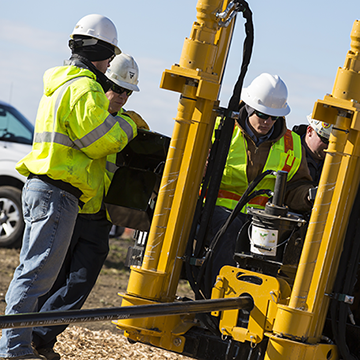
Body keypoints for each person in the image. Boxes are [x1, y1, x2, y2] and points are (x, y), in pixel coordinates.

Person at [0, 15, 139, 360]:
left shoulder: (60, 82)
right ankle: (13, 349)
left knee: (33, 272)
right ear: (101, 51)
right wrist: (128, 126)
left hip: (42, 188)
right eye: (108, 58)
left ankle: (14, 345)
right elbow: (98, 139)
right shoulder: (85, 87)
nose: (108, 66)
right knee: (36, 275)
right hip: (57, 193)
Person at [30, 53, 148, 360]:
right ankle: (34, 340)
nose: (121, 96)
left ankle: (39, 337)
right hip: (70, 207)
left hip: (97, 217)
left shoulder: (127, 125)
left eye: (127, 92)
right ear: (101, 82)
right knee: (49, 280)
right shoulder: (91, 113)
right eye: (116, 88)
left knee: (78, 285)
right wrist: (126, 126)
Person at [205, 73, 314, 292]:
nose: (267, 122)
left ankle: (251, 306)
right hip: (218, 209)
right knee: (230, 232)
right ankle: (212, 302)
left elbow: (294, 186)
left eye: (274, 117)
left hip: (262, 219)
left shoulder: (292, 143)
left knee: (274, 249)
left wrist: (307, 195)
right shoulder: (219, 129)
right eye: (263, 115)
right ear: (248, 107)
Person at [292, 115, 333, 184]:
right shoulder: (288, 152)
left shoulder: (336, 161)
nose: (330, 146)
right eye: (325, 140)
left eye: (334, 143)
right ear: (310, 131)